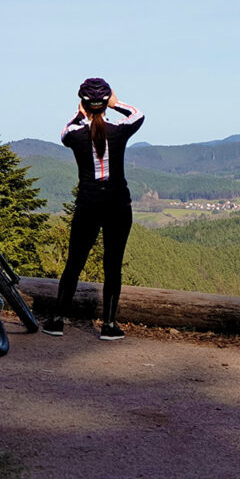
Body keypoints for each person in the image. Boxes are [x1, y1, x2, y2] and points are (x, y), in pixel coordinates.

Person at [42, 77, 145, 340]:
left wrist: (80, 114)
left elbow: (64, 132)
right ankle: (109, 326)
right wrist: (116, 103)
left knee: (74, 262)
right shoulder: (119, 131)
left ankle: (56, 320)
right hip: (118, 204)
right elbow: (137, 115)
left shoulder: (75, 135)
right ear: (106, 104)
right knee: (113, 265)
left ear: (84, 104)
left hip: (88, 204)